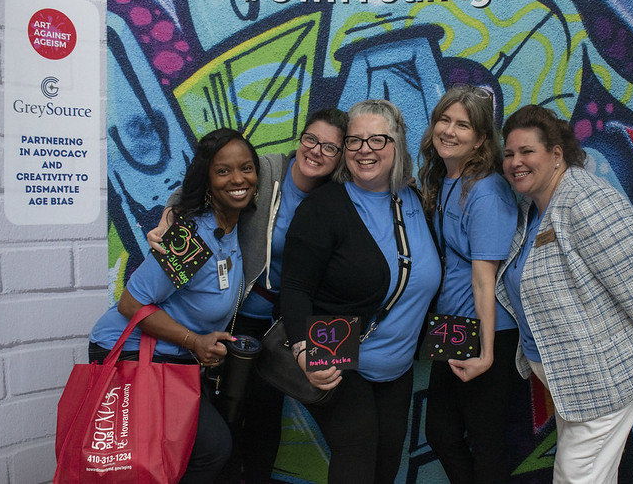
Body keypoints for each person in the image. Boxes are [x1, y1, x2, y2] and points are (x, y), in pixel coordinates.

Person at [495, 104, 633, 483]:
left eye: (526, 151)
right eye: (509, 154)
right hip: (571, 380)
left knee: (574, 476)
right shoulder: (532, 209)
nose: (515, 162)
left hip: (604, 374)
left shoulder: (584, 199)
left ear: (556, 154)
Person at [148, 109, 348, 483]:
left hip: (281, 327)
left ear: (340, 157)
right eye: (311, 139)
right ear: (300, 138)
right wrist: (171, 215)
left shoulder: (335, 198)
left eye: (330, 147)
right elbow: (200, 183)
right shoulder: (267, 170)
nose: (316, 151)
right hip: (232, 314)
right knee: (221, 415)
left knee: (265, 413)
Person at [279, 99, 442, 484]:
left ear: (397, 145)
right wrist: (306, 352)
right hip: (337, 355)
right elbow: (296, 287)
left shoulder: (415, 202)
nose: (364, 149)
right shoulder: (324, 208)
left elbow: (436, 283)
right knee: (357, 450)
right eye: (354, 141)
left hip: (398, 367)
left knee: (387, 461)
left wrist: (464, 346)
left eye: (377, 140)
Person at [90, 128, 260, 482]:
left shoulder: (229, 228)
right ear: (208, 181)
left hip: (175, 359)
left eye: (246, 168)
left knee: (219, 452)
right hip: (131, 353)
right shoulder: (192, 238)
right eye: (223, 171)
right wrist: (195, 342)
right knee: (210, 449)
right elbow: (130, 303)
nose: (238, 179)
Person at [417, 85, 519, 483]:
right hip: (453, 326)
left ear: (480, 139)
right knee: (440, 433)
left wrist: (488, 352)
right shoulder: (445, 180)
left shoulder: (487, 192)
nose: (449, 130)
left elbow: (483, 278)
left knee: (486, 441)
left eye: (463, 125)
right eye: (444, 119)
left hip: (487, 329)